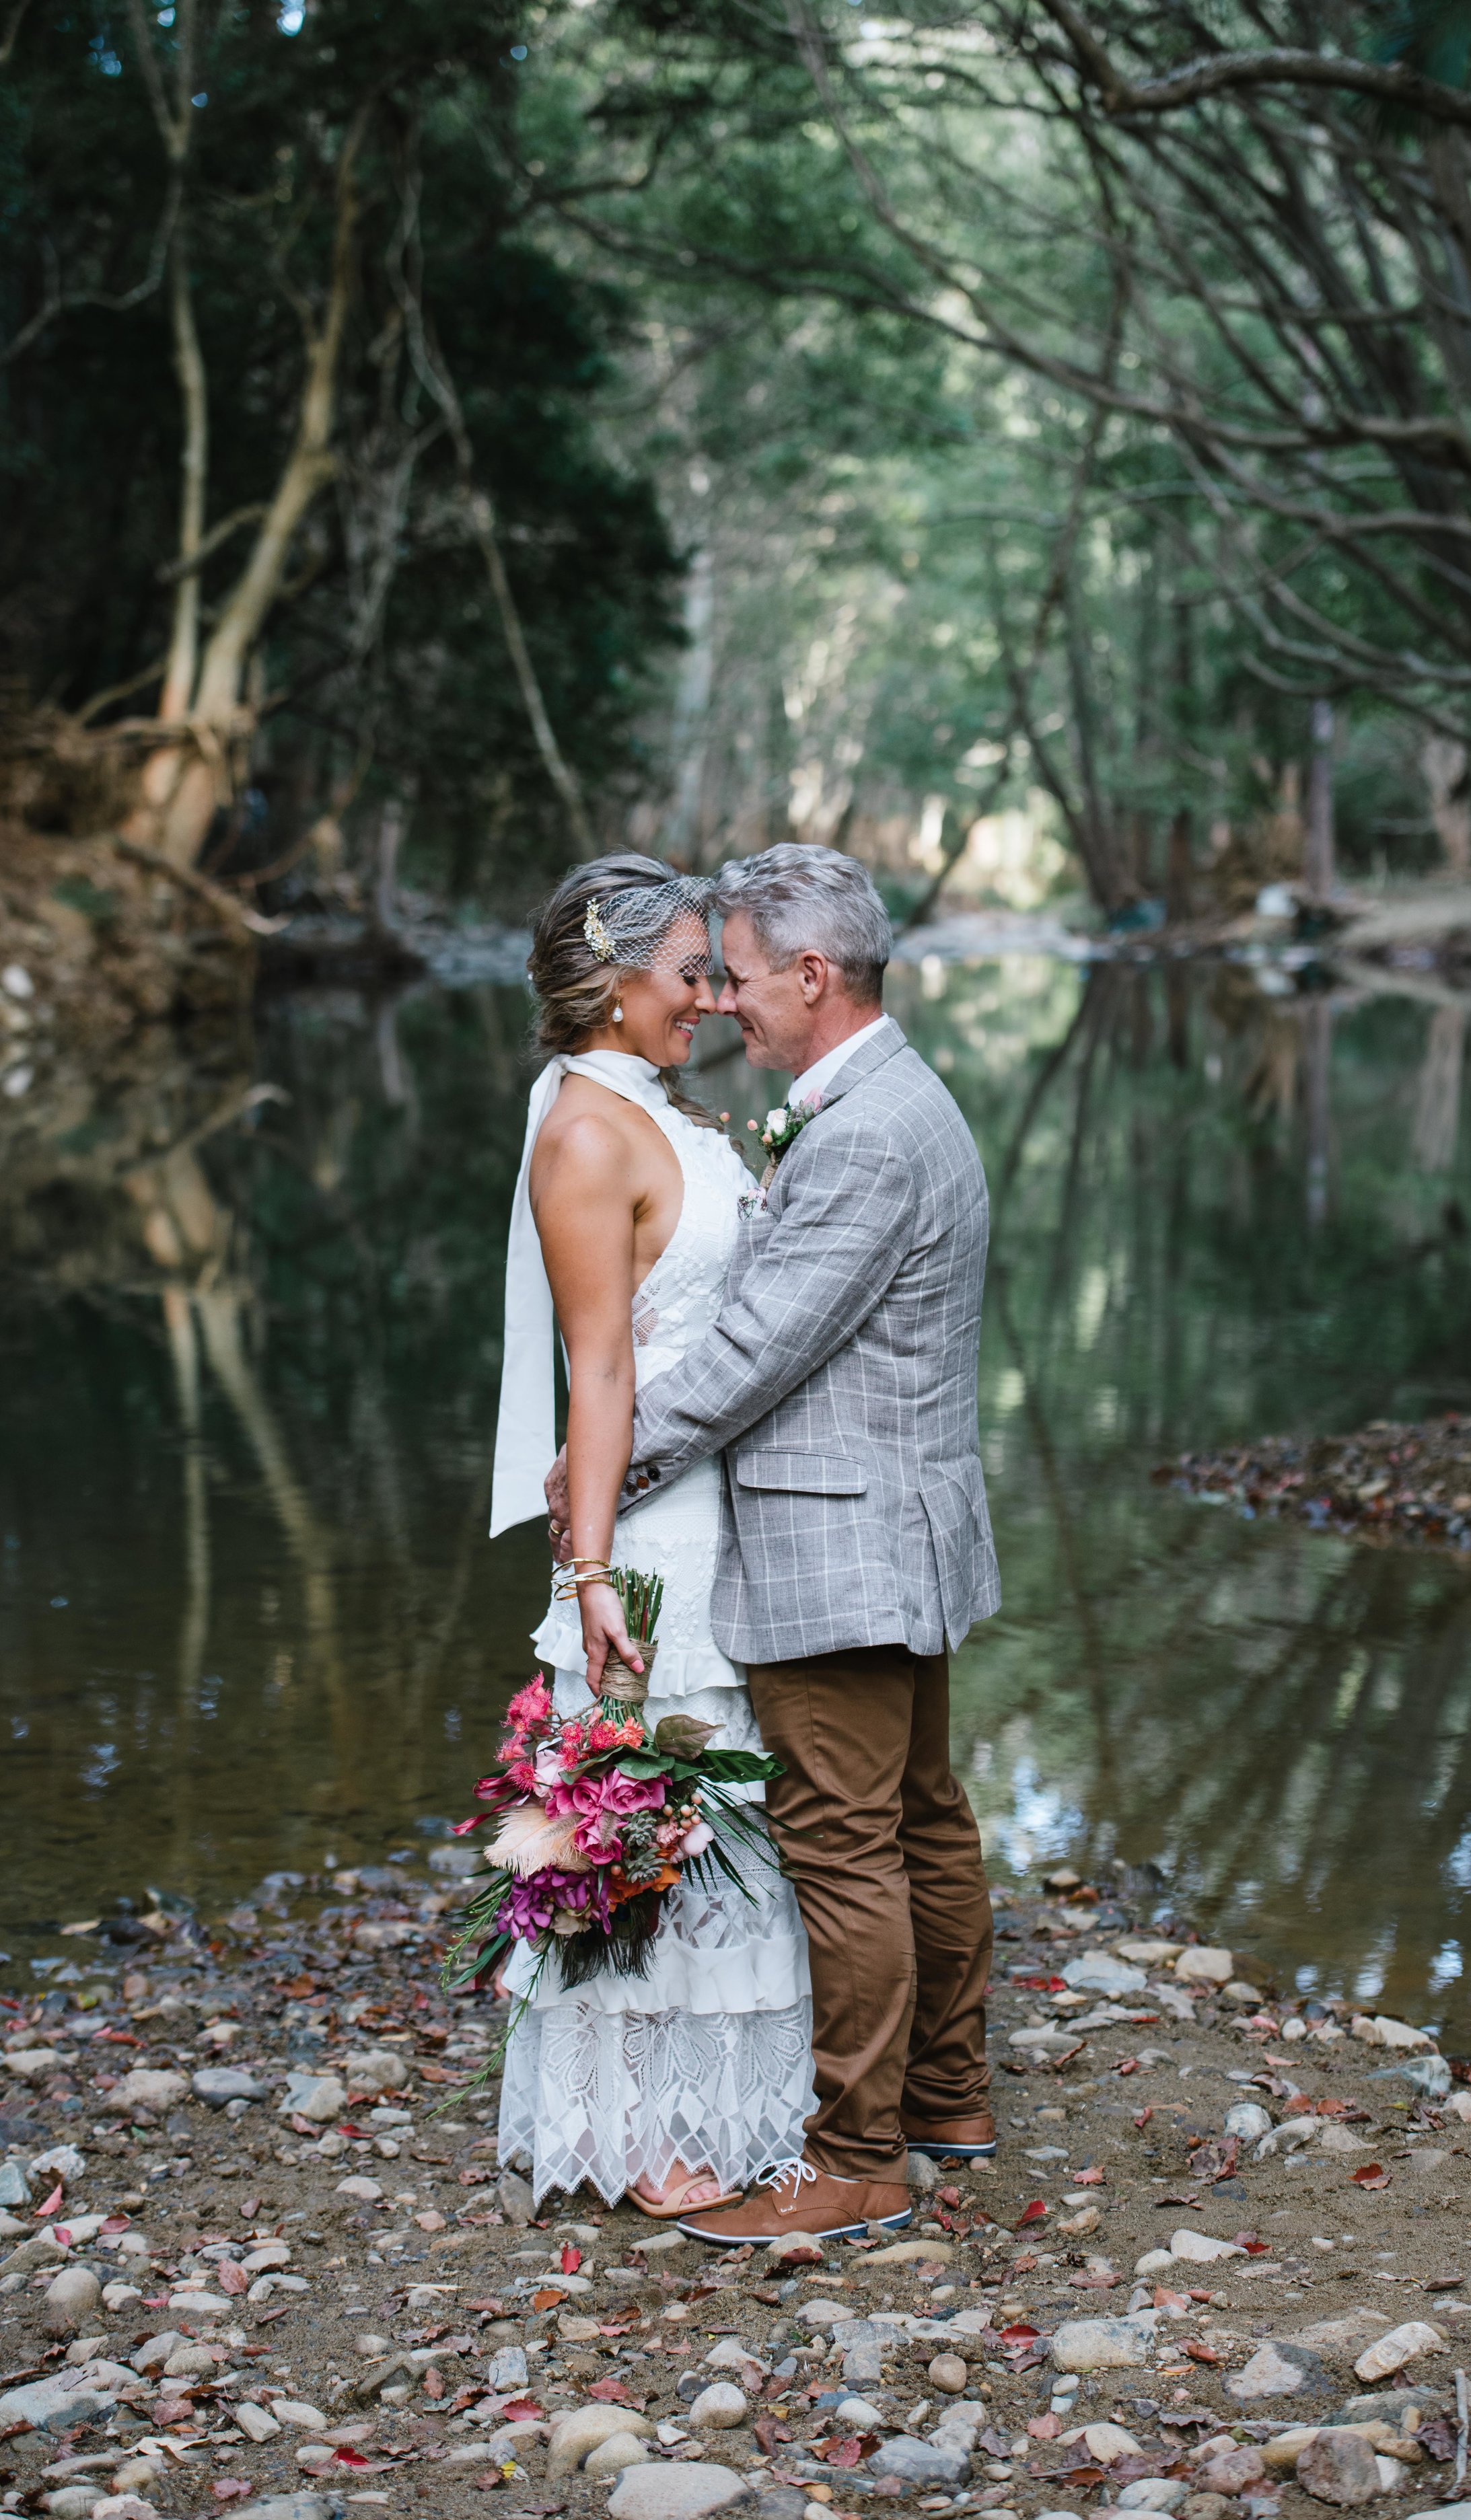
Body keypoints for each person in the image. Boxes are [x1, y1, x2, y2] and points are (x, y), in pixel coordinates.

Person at [549, 842, 999, 2246]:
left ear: (812, 974)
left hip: (835, 1547)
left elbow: (756, 1349)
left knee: (846, 1843)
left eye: (735, 977)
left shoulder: (859, 1133)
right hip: (901, 1528)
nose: (725, 1003)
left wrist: (604, 1471)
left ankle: (859, 2154)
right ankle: (948, 2093)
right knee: (920, 1817)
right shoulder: (894, 1097)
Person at [488, 854, 814, 2219]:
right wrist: (593, 1574)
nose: (712, 995)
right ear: (616, 980)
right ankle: (645, 2131)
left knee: (717, 1811)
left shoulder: (649, 1104)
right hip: (655, 1531)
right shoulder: (581, 1131)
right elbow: (600, 1371)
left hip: (716, 1506)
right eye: (693, 972)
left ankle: (717, 2108)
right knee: (663, 1811)